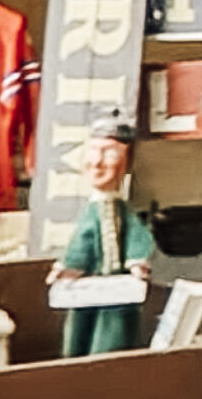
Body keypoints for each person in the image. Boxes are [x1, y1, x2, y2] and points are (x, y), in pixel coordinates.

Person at [46, 114, 154, 357]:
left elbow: (136, 234)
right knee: (80, 333)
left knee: (113, 334)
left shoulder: (123, 211)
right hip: (89, 287)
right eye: (94, 152)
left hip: (117, 289)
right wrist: (70, 267)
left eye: (109, 154)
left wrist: (137, 261)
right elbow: (81, 243)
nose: (97, 163)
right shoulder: (91, 211)